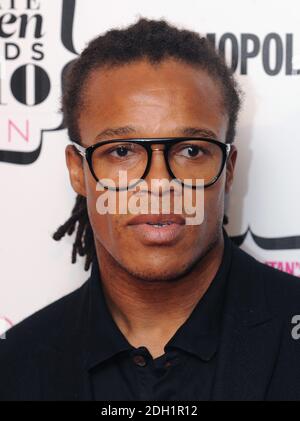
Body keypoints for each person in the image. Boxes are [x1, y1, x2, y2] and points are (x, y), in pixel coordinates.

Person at [1, 18, 300, 401]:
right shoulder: (15, 366)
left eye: (191, 150)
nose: (159, 184)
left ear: (228, 170)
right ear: (78, 171)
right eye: (122, 151)